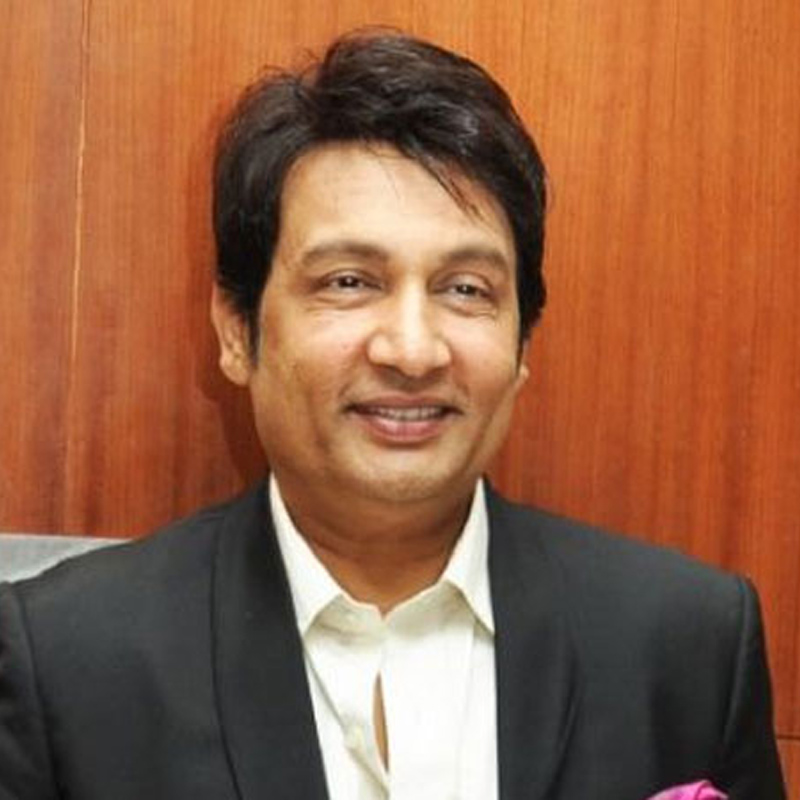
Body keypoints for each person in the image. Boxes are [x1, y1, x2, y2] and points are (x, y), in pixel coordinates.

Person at [0, 29, 786, 800]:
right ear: (237, 330)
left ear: (522, 343)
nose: (413, 351)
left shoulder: (687, 647)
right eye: (349, 282)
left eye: (466, 289)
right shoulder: (66, 660)